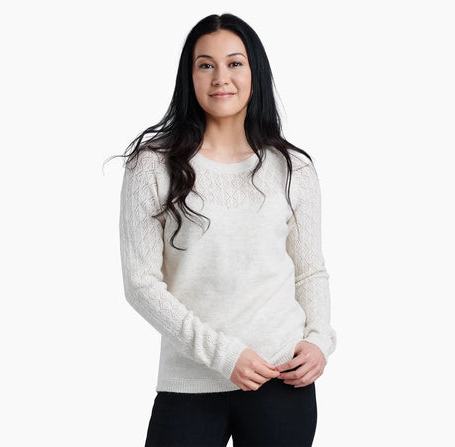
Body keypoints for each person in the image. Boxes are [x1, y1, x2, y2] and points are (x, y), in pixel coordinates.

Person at [114, 12, 337, 447]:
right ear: (190, 76)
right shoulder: (152, 166)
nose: (221, 78)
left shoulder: (292, 168)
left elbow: (310, 271)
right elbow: (141, 284)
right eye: (206, 65)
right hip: (190, 385)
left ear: (255, 73)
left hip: (282, 378)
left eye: (235, 63)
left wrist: (318, 342)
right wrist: (225, 356)